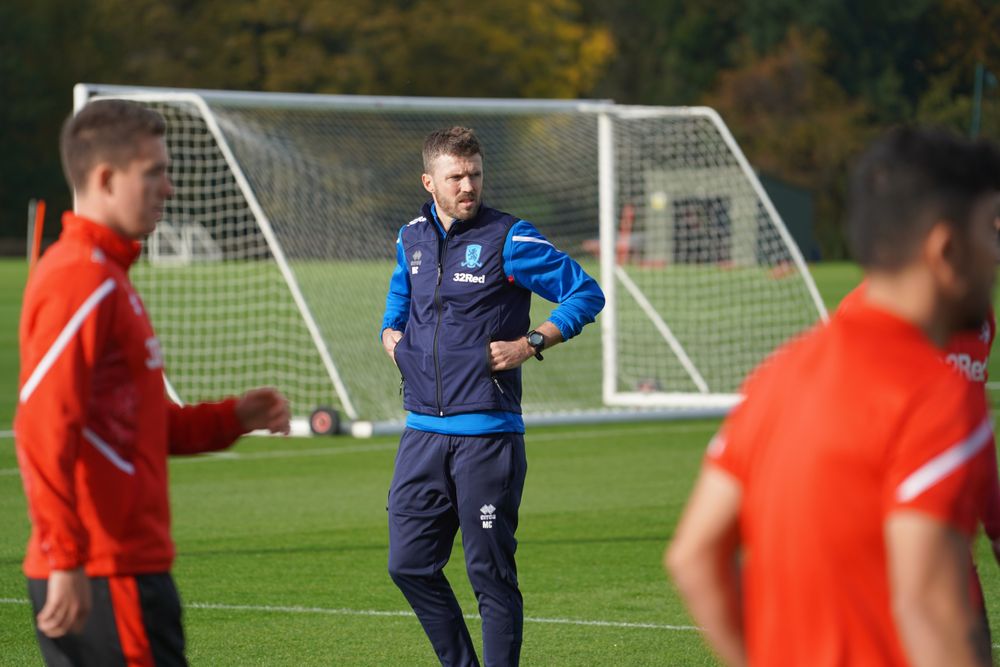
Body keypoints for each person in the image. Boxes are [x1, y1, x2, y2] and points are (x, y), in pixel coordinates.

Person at [666, 126, 1000, 667]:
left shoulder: (779, 374)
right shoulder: (938, 395)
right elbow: (929, 608)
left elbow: (693, 556)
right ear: (948, 248)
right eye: (992, 232)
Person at [15, 99, 291, 666]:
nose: (168, 188)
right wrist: (66, 557)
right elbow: (42, 429)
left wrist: (230, 419)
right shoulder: (80, 279)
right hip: (101, 570)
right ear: (106, 179)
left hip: (123, 567)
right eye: (155, 172)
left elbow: (136, 427)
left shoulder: (111, 277)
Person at [380, 126, 604, 666]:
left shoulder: (510, 237)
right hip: (422, 436)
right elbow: (400, 293)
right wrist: (390, 334)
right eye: (456, 176)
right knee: (407, 565)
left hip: (488, 439)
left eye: (475, 174)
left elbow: (585, 291)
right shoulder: (410, 236)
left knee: (490, 576)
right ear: (429, 181)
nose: (468, 185)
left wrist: (533, 342)